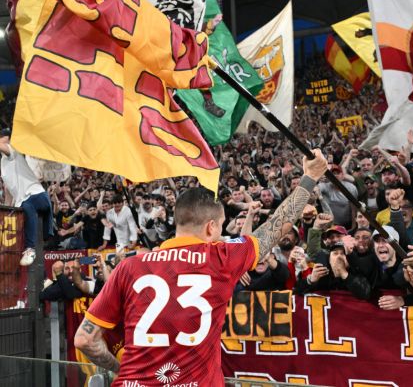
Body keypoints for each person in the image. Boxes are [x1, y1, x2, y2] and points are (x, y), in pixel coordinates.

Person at [73, 150, 328, 385]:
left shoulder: (129, 267)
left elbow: (85, 339)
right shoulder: (221, 259)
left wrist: (121, 369)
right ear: (211, 227)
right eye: (221, 225)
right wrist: (310, 177)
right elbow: (277, 226)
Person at [0, 128, 54, 265]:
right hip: (33, 200)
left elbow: (3, 146)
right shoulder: (3, 163)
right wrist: (7, 211)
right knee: (22, 225)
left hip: (36, 197)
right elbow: (8, 190)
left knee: (27, 206)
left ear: (7, 139)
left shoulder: (13, 151)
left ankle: (31, 248)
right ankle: (46, 239)